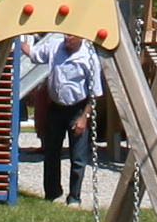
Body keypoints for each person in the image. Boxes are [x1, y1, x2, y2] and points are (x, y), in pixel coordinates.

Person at [22, 27, 101, 204]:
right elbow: (33, 53)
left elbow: (95, 92)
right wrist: (15, 39)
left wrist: (84, 117)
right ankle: (52, 193)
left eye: (72, 34)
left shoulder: (89, 57)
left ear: (82, 36)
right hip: (56, 108)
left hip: (78, 109)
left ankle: (74, 197)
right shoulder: (54, 47)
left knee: (78, 157)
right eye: (66, 34)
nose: (68, 37)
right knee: (51, 153)